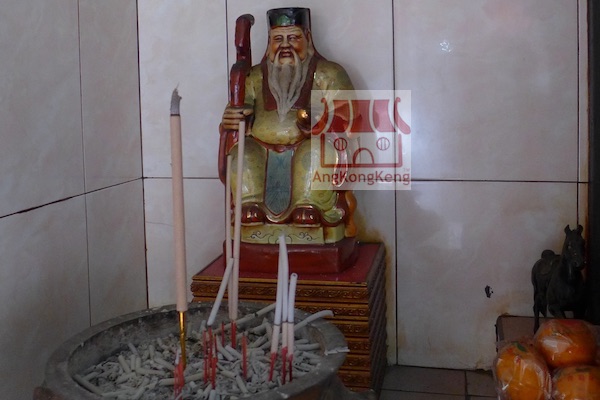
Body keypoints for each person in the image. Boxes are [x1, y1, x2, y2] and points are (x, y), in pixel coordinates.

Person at [220, 7, 356, 237]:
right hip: (261, 150)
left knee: (316, 152)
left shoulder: (328, 73)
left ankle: (311, 205)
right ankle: (250, 204)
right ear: (269, 43)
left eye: (293, 38)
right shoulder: (254, 77)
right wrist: (231, 118)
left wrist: (322, 121)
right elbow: (239, 110)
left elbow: (348, 115)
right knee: (241, 153)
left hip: (307, 145)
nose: (285, 46)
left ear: (307, 38)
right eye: (278, 39)